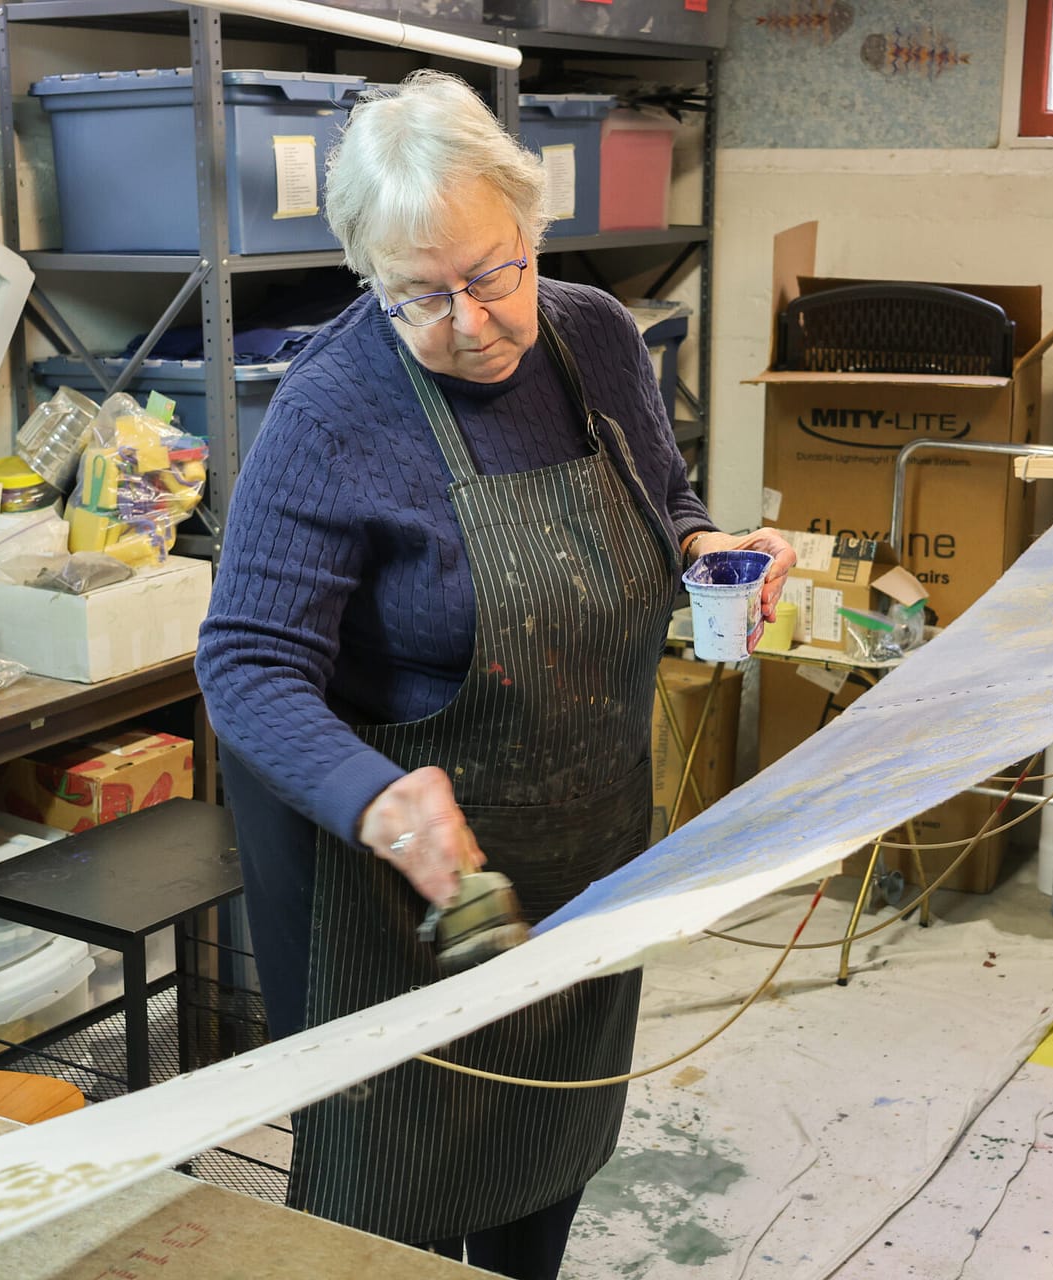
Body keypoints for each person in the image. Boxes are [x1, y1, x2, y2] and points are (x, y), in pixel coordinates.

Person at [195, 69, 795, 1279]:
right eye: (422, 295)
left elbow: (661, 496)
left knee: (546, 1145)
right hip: (399, 878)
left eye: (493, 274)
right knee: (395, 1191)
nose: (471, 320)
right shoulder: (330, 410)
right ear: (369, 276)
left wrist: (705, 548)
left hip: (580, 839)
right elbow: (246, 659)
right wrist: (377, 796)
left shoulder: (597, 335)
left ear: (534, 232)